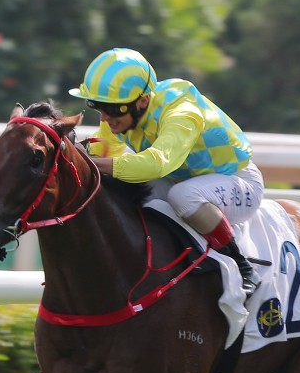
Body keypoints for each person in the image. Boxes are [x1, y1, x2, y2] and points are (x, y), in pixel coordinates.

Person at [68, 47, 263, 297]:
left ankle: (242, 265)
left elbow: (157, 164)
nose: (105, 117)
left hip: (239, 182)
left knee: (183, 196)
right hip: (182, 180)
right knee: (127, 192)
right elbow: (102, 150)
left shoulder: (182, 112)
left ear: (143, 101)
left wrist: (95, 164)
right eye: (98, 106)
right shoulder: (124, 113)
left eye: (114, 109)